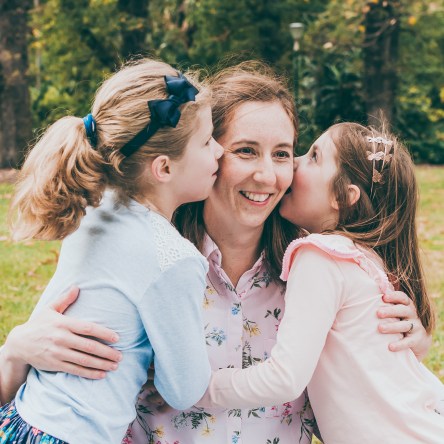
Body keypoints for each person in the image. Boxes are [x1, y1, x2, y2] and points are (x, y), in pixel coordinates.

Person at [0, 63, 432, 444]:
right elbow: (41, 397)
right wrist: (16, 350)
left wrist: (408, 342)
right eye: (245, 150)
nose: (266, 174)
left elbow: (357, 405)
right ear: (201, 153)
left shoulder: (317, 272)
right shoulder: (145, 255)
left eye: (283, 154)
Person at [0, 58, 224, 444]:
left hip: (22, 420)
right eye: (206, 142)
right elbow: (185, 390)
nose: (219, 150)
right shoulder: (173, 258)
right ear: (164, 169)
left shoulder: (92, 211)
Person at [196, 122, 444, 442]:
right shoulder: (362, 256)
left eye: (313, 156)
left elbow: (285, 379)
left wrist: (200, 389)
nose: (295, 162)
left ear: (343, 196)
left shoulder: (320, 257)